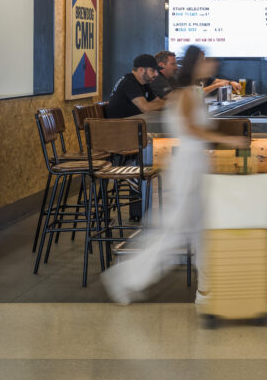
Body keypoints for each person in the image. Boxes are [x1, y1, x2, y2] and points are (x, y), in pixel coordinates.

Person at [101, 45, 249, 306]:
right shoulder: (185, 95)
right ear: (195, 65)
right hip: (188, 170)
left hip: (194, 167)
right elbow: (193, 130)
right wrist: (230, 140)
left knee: (199, 231)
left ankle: (206, 291)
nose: (211, 66)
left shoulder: (186, 93)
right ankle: (125, 278)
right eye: (204, 62)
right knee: (173, 234)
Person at [104, 54, 167, 119]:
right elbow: (145, 108)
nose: (156, 74)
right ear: (141, 70)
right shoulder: (129, 82)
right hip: (119, 125)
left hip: (133, 122)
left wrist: (169, 104)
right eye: (152, 70)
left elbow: (157, 101)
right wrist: (170, 104)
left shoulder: (144, 83)